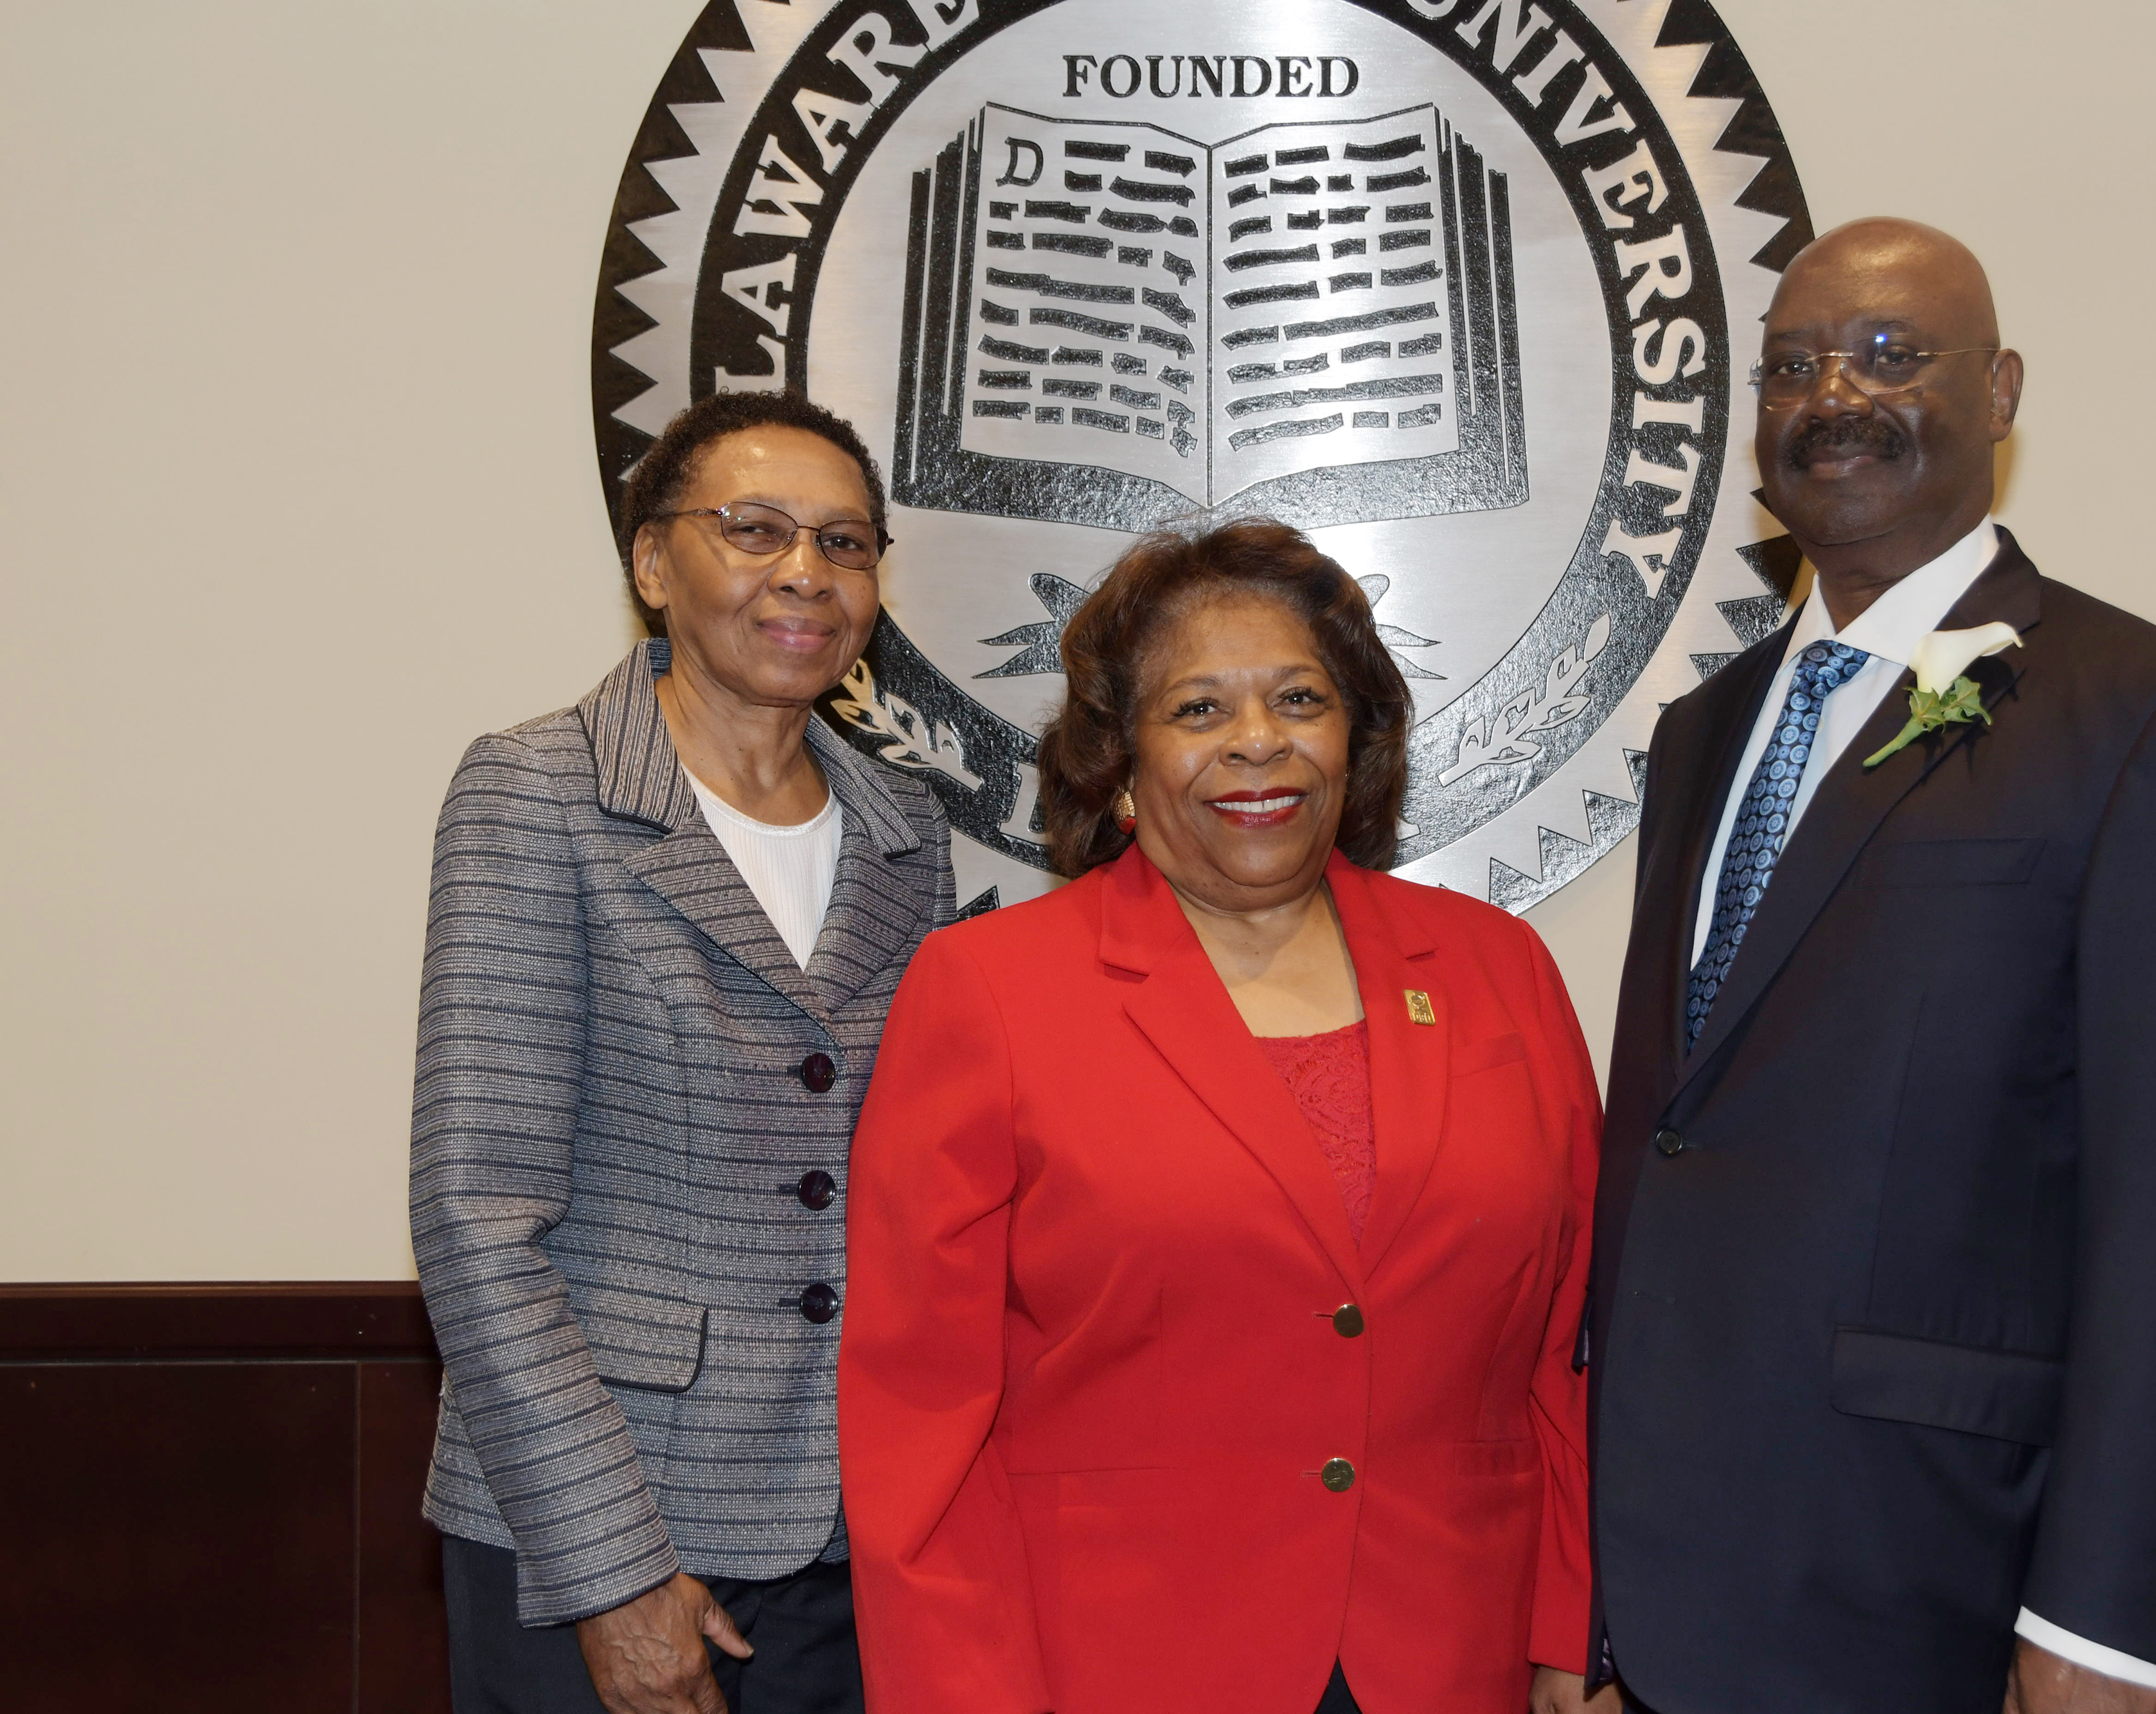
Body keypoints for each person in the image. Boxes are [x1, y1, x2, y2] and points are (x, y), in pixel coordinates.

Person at [1585, 219, 2156, 1714]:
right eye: (1790, 366)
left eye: (1890, 354)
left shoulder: (2147, 718)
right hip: (1668, 1593)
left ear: (2002, 391)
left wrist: (2106, 1633)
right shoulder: (1699, 734)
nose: (1830, 394)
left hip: (1956, 1590)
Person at [837, 520, 1610, 1714]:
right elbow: (918, 1413)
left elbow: (1568, 1344)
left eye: (1299, 698)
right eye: (1199, 711)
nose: (1259, 742)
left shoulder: (1498, 970)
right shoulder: (989, 991)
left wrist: (1576, 1617)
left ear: (1354, 736)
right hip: (1115, 1662)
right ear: (1121, 760)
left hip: (1459, 1650)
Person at [411, 389, 950, 1714]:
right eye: (754, 528)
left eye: (845, 543)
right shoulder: (536, 789)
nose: (805, 574)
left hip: (839, 1529)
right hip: (591, 1522)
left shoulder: (907, 832)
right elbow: (478, 1215)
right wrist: (614, 1572)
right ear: (653, 563)